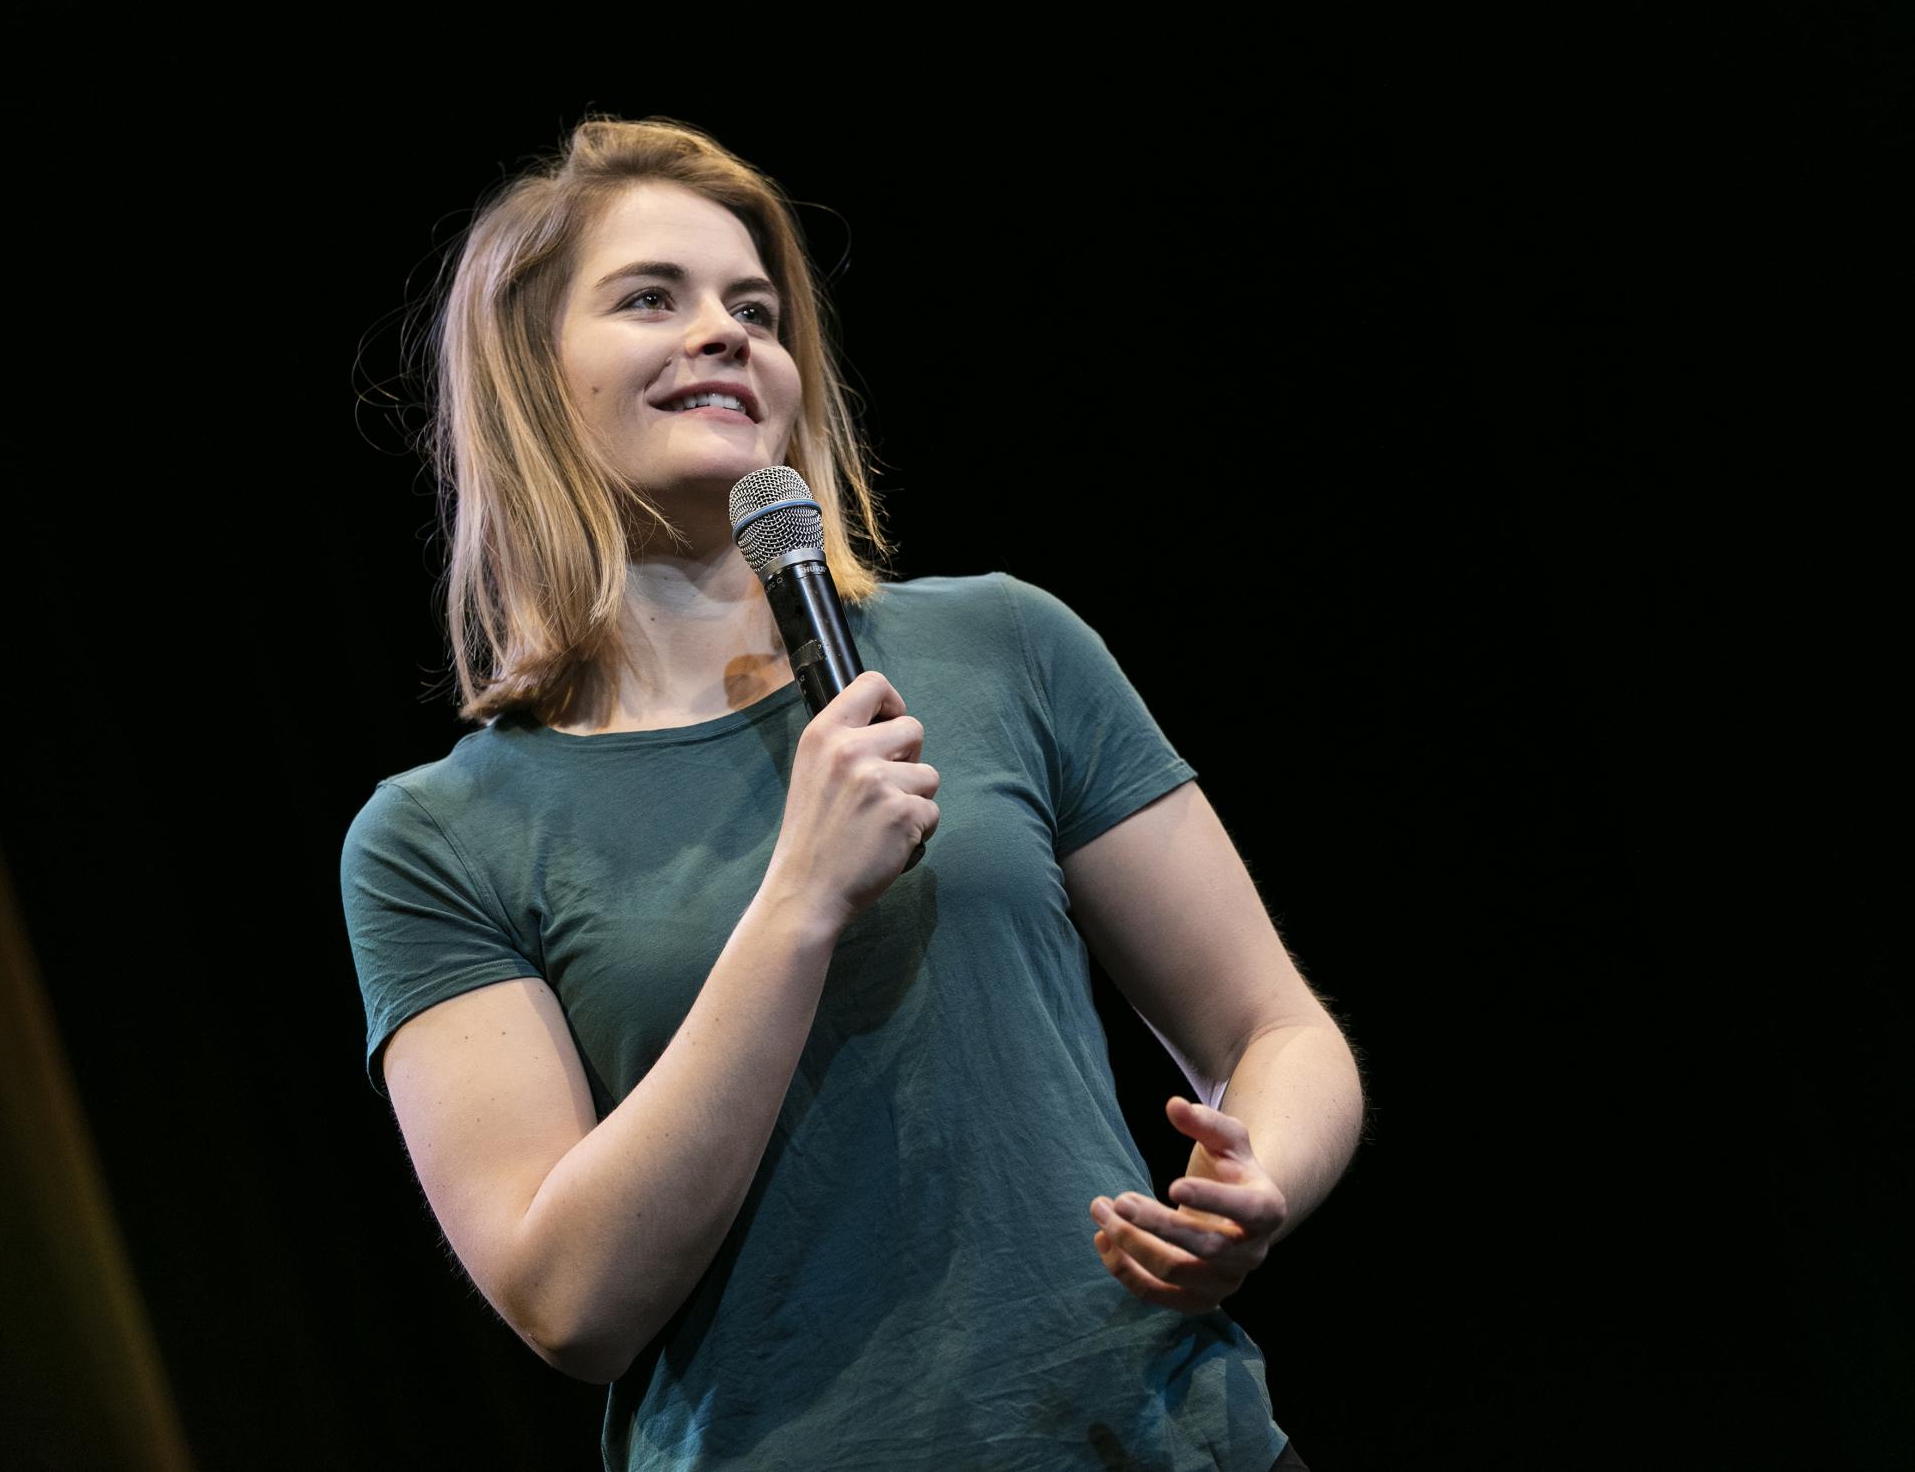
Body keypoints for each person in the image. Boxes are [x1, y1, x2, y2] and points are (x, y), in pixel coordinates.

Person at [340, 116, 1363, 1471]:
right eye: (652, 298)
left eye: (754, 310)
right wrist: (799, 898)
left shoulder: (1002, 646)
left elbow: (1272, 1026)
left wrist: (1260, 1179)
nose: (725, 333)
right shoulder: (439, 839)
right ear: (529, 377)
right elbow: (568, 1303)